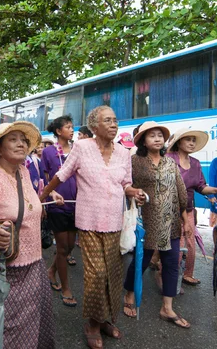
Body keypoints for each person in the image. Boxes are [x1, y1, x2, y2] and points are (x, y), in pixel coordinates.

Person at [40, 106, 145, 349]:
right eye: (107, 120)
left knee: (112, 276)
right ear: (94, 126)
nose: (114, 124)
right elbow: (62, 174)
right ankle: (92, 325)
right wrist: (43, 194)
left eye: (115, 120)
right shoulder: (82, 148)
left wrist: (135, 192)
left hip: (114, 222)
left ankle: (104, 319)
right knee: (97, 275)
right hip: (88, 222)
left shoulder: (122, 152)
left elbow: (126, 184)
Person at [0, 121, 55, 348]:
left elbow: (24, 205)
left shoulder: (23, 172)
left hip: (32, 265)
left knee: (27, 327)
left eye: (23, 140)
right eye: (13, 139)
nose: (21, 144)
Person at [122, 121, 190, 328]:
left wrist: (185, 218)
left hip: (171, 222)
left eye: (160, 135)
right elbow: (125, 186)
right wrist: (135, 195)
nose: (158, 138)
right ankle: (130, 294)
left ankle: (167, 307)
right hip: (147, 220)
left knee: (172, 263)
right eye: (152, 135)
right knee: (142, 260)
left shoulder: (170, 163)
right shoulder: (134, 161)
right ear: (143, 140)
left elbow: (180, 191)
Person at [166, 128, 217, 285]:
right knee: (175, 244)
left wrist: (216, 190)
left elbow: (201, 186)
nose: (192, 143)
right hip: (170, 209)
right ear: (179, 142)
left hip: (188, 209)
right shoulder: (168, 159)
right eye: (188, 140)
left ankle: (187, 274)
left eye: (194, 140)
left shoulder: (195, 163)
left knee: (190, 242)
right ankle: (170, 277)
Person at [41, 115, 78, 307]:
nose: (72, 130)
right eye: (68, 127)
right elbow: (45, 179)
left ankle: (51, 270)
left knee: (70, 246)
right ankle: (66, 288)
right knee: (63, 248)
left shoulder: (78, 150)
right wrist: (52, 193)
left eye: (73, 127)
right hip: (57, 206)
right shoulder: (48, 152)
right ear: (58, 131)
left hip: (77, 204)